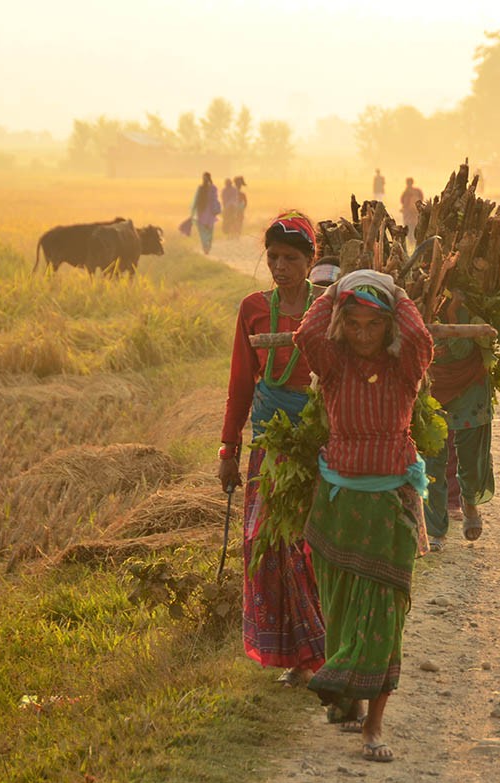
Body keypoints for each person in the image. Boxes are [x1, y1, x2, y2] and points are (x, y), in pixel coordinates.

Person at [295, 268, 434, 763]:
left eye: (372, 324)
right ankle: (347, 700)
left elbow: (419, 333)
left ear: (388, 325)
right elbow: (307, 332)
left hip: (390, 503)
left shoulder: (404, 370)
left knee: (384, 617)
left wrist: (391, 289)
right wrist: (338, 287)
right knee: (340, 609)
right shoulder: (333, 368)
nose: (362, 333)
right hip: (339, 507)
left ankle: (374, 725)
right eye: (351, 323)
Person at [218, 211, 326, 686]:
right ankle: (296, 656)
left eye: (290, 258)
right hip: (268, 444)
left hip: (317, 443)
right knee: (267, 543)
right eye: (273, 258)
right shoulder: (253, 309)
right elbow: (241, 382)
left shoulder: (328, 308)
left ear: (309, 261)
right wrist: (228, 448)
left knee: (310, 544)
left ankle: (323, 649)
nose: (280, 266)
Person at [424, 293, 493, 550]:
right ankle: (436, 529)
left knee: (471, 461)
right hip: (434, 391)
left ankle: (470, 501)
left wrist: (452, 316)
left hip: (469, 393)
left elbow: (464, 350)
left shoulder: (464, 309)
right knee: (433, 462)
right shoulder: (420, 303)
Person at [189, 172, 222, 254]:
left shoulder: (202, 188)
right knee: (209, 231)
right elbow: (215, 199)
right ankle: (207, 246)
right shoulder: (212, 188)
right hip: (209, 212)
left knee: (203, 231)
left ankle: (205, 246)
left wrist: (192, 212)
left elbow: (195, 200)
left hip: (203, 212)